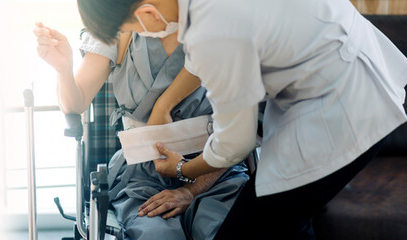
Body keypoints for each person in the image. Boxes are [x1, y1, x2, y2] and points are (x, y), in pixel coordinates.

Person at [74, 0, 407, 239]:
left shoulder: (213, 30)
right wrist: (165, 104)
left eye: (132, 29)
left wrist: (181, 172)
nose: (137, 35)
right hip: (353, 68)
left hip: (344, 109)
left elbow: (236, 143)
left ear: (147, 12)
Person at [33, 3, 249, 237]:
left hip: (214, 169)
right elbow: (75, 104)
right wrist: (64, 68)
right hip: (144, 175)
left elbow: (237, 134)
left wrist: (191, 190)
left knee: (217, 231)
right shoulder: (118, 22)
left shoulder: (213, 22)